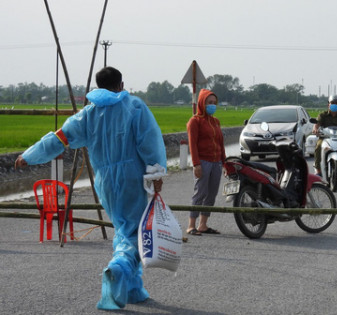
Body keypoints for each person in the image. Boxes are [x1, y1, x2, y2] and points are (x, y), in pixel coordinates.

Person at [14, 67, 167, 310]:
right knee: (135, 233)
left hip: (104, 181)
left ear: (97, 86)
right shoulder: (135, 107)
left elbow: (58, 138)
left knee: (123, 229)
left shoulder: (87, 114)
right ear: (121, 84)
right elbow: (149, 142)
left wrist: (29, 155)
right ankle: (119, 267)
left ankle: (133, 290)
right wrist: (157, 172)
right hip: (132, 178)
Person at [186, 89, 226, 235]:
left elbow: (221, 143)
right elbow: (192, 144)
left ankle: (203, 224)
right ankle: (191, 225)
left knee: (212, 194)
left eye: (214, 103)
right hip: (203, 162)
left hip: (216, 162)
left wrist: (224, 162)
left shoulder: (216, 121)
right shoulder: (195, 121)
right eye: (209, 103)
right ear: (202, 103)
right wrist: (196, 164)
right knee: (200, 193)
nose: (212, 105)